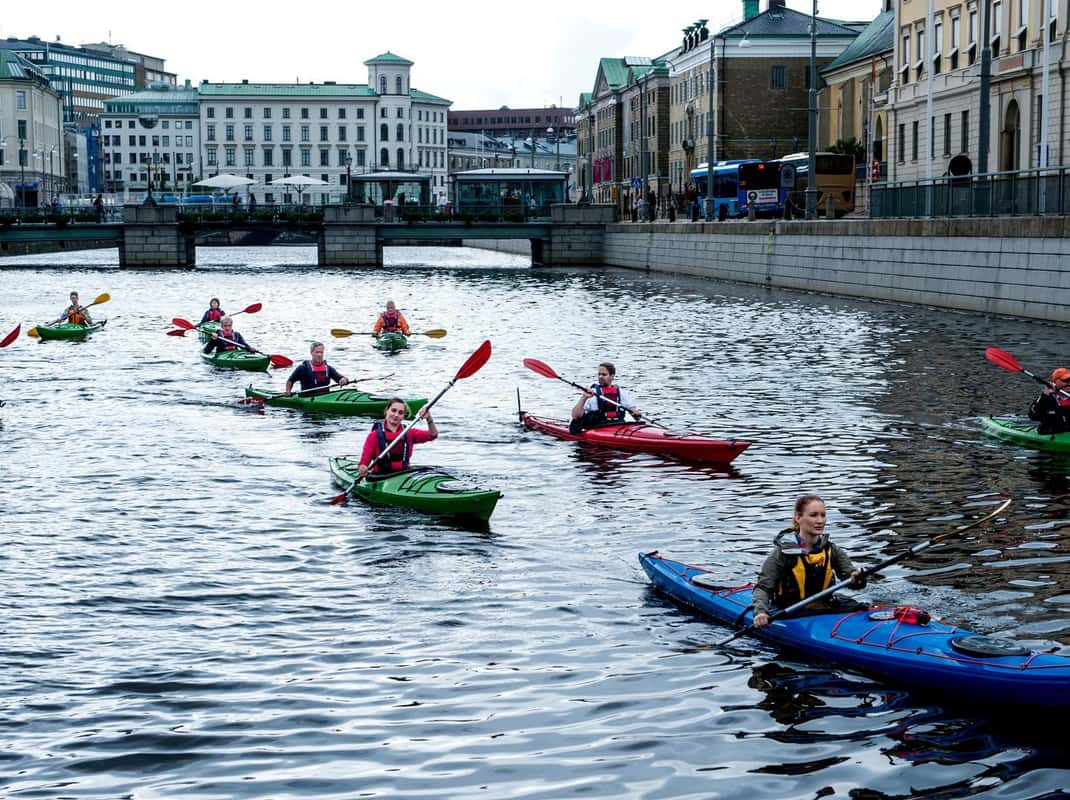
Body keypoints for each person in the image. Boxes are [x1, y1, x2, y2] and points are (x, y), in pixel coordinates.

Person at [752, 495, 867, 628]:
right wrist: (760, 612)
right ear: (798, 517)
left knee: (862, 607)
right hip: (791, 610)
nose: (820, 520)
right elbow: (763, 587)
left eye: (823, 515)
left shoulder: (831, 550)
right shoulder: (781, 553)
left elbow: (852, 581)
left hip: (825, 606)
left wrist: (858, 578)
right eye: (813, 515)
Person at [357, 398, 437, 477]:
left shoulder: (409, 433)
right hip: (381, 477)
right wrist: (363, 468)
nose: (396, 415)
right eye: (393, 410)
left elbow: (433, 435)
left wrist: (429, 418)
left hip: (403, 475)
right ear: (387, 411)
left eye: (400, 413)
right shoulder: (374, 436)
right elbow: (364, 462)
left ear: (403, 416)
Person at [569, 361, 641, 433]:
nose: (600, 377)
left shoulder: (621, 393)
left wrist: (636, 413)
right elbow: (575, 416)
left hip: (617, 424)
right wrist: (584, 397)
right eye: (599, 374)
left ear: (612, 376)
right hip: (597, 427)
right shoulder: (591, 393)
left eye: (604, 374)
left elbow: (634, 413)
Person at [284, 341, 349, 396]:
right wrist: (288, 391)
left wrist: (344, 379)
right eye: (317, 352)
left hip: (325, 396)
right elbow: (290, 380)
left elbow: (339, 378)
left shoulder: (328, 368)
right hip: (307, 397)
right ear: (311, 353)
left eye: (321, 352)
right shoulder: (302, 368)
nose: (319, 355)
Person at [1028, 367, 1070, 434]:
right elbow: (1033, 416)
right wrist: (1045, 396)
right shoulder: (1046, 397)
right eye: (1065, 381)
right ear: (1054, 382)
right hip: (1050, 433)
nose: (1069, 383)